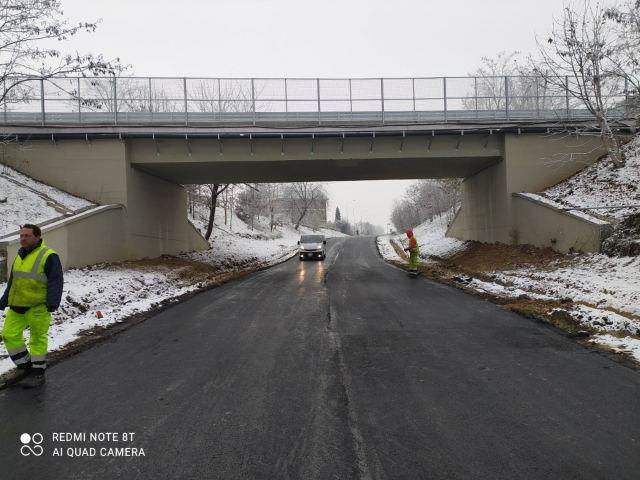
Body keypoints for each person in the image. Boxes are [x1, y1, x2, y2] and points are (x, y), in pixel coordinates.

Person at [0, 224, 63, 388]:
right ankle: (24, 366)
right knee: (9, 334)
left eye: (27, 236)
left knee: (37, 338)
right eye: (21, 235)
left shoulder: (48, 255)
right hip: (17, 304)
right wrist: (4, 299)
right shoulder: (20, 255)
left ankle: (38, 373)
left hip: (38, 306)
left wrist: (52, 302)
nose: (23, 239)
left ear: (37, 237)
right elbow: (14, 281)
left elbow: (56, 279)